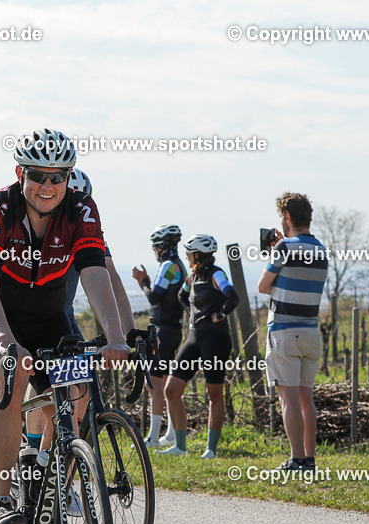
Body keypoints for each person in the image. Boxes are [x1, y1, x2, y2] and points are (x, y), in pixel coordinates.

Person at [0, 128, 128, 524]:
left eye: (58, 176)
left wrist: (116, 337)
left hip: (46, 312)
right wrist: (8, 345)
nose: (48, 186)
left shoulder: (82, 209)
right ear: (20, 173)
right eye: (38, 175)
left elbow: (96, 273)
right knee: (11, 378)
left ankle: (52, 496)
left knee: (78, 393)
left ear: (69, 177)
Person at [24, 167, 136, 450]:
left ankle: (59, 477)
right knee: (41, 381)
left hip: (63, 316)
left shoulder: (87, 228)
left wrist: (129, 333)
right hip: (30, 315)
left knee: (80, 396)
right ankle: (32, 451)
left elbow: (111, 279)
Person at [257, 193, 328, 472]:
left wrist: (275, 249)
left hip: (285, 331)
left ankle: (296, 459)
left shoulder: (283, 247)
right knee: (305, 397)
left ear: (287, 217)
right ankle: (309, 459)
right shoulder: (321, 249)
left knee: (288, 398)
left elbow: (263, 286)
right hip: (311, 330)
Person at [160, 235, 238, 457]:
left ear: (198, 255)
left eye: (190, 253)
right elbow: (181, 296)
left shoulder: (216, 274)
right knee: (171, 389)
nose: (186, 256)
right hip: (195, 337)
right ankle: (180, 447)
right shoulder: (192, 276)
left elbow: (232, 297)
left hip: (216, 339)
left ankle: (210, 450)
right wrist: (195, 315)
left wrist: (220, 314)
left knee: (214, 394)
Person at [131, 225, 186, 448]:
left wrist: (142, 281)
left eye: (155, 246)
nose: (155, 250)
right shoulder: (179, 264)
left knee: (153, 383)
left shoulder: (168, 266)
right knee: (165, 382)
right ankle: (171, 434)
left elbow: (155, 297)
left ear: (161, 246)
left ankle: (153, 437)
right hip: (174, 329)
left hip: (164, 329)